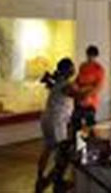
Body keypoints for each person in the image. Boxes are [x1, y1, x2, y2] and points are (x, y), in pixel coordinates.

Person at [36, 58, 76, 192]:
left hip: (48, 118)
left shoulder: (58, 81)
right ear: (68, 69)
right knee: (62, 152)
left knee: (47, 148)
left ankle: (40, 177)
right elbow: (78, 94)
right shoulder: (65, 84)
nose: (74, 70)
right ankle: (58, 181)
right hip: (56, 121)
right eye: (72, 67)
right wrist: (93, 88)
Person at [71, 45, 105, 135]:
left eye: (92, 56)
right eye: (89, 55)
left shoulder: (99, 69)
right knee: (76, 123)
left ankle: (92, 141)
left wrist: (87, 94)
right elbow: (77, 80)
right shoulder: (83, 66)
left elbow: (98, 86)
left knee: (90, 124)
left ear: (96, 56)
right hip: (79, 98)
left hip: (90, 101)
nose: (90, 58)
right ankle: (78, 141)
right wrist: (75, 88)